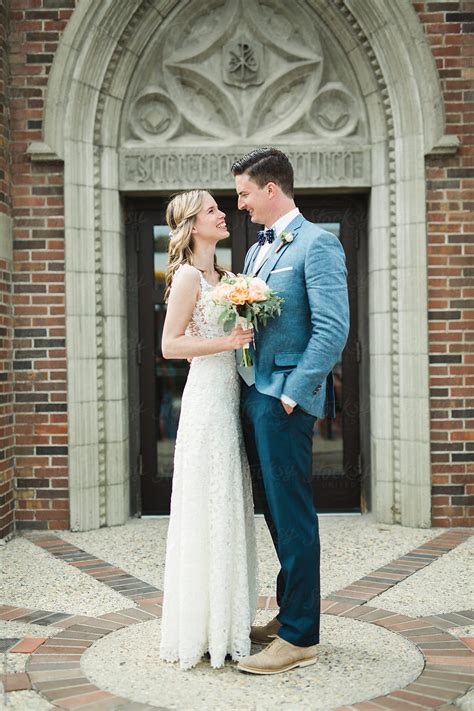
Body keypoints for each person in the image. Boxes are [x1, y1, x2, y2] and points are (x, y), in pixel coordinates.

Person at [232, 148, 350, 675]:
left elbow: (332, 329)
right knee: (275, 513)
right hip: (255, 395)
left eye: (244, 193)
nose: (240, 204)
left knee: (294, 514)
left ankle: (302, 636)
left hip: (284, 402)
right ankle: (288, 613)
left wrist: (291, 394)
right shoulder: (258, 250)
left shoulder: (318, 244)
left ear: (271, 189)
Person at [159, 189, 258, 670]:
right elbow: (170, 346)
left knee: (227, 503)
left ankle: (229, 621)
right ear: (193, 224)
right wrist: (228, 340)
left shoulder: (229, 277)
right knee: (205, 504)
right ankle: (200, 630)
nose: (224, 214)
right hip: (204, 401)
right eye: (213, 210)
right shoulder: (187, 277)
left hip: (232, 398)